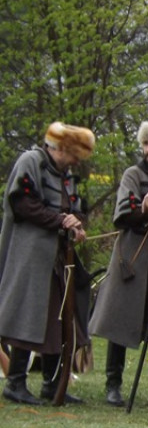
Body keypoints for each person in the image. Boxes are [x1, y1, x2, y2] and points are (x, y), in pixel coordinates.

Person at [89, 121, 148, 406]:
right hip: (133, 254)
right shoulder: (133, 174)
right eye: (145, 144)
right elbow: (126, 212)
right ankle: (113, 385)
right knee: (121, 317)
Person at [0, 122, 94, 405]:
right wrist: (60, 220)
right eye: (75, 155)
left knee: (58, 320)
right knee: (27, 315)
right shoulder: (32, 162)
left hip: (57, 259)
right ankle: (15, 383)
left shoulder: (66, 175)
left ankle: (52, 384)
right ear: (63, 149)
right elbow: (22, 203)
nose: (77, 162)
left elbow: (73, 208)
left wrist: (75, 227)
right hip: (29, 256)